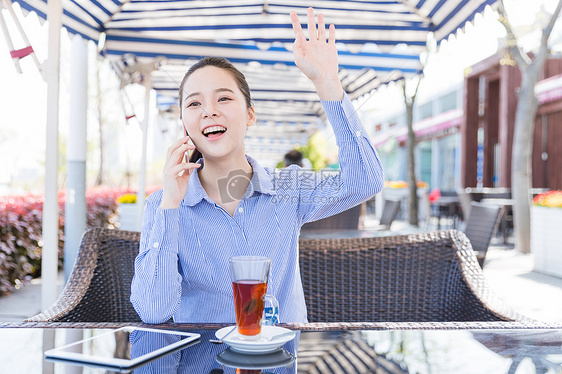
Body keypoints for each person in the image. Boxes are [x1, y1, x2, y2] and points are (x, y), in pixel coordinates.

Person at [130, 7, 384, 324]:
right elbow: (153, 311)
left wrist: (328, 84)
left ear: (250, 115)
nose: (208, 111)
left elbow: (366, 181)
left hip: (278, 360)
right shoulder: (162, 204)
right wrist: (170, 205)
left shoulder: (290, 188)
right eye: (194, 103)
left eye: (223, 98)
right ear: (185, 124)